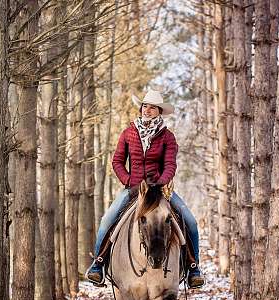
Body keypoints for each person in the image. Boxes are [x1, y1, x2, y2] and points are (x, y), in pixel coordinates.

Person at [86, 89, 204, 288]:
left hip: (160, 190)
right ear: (141, 108)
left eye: (153, 108)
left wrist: (161, 181)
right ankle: (98, 265)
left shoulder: (167, 137)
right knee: (107, 220)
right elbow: (117, 161)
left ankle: (193, 267)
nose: (148, 110)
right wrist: (129, 180)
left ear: (159, 111)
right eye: (145, 106)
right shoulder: (128, 132)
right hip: (133, 189)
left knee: (190, 221)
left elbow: (170, 165)